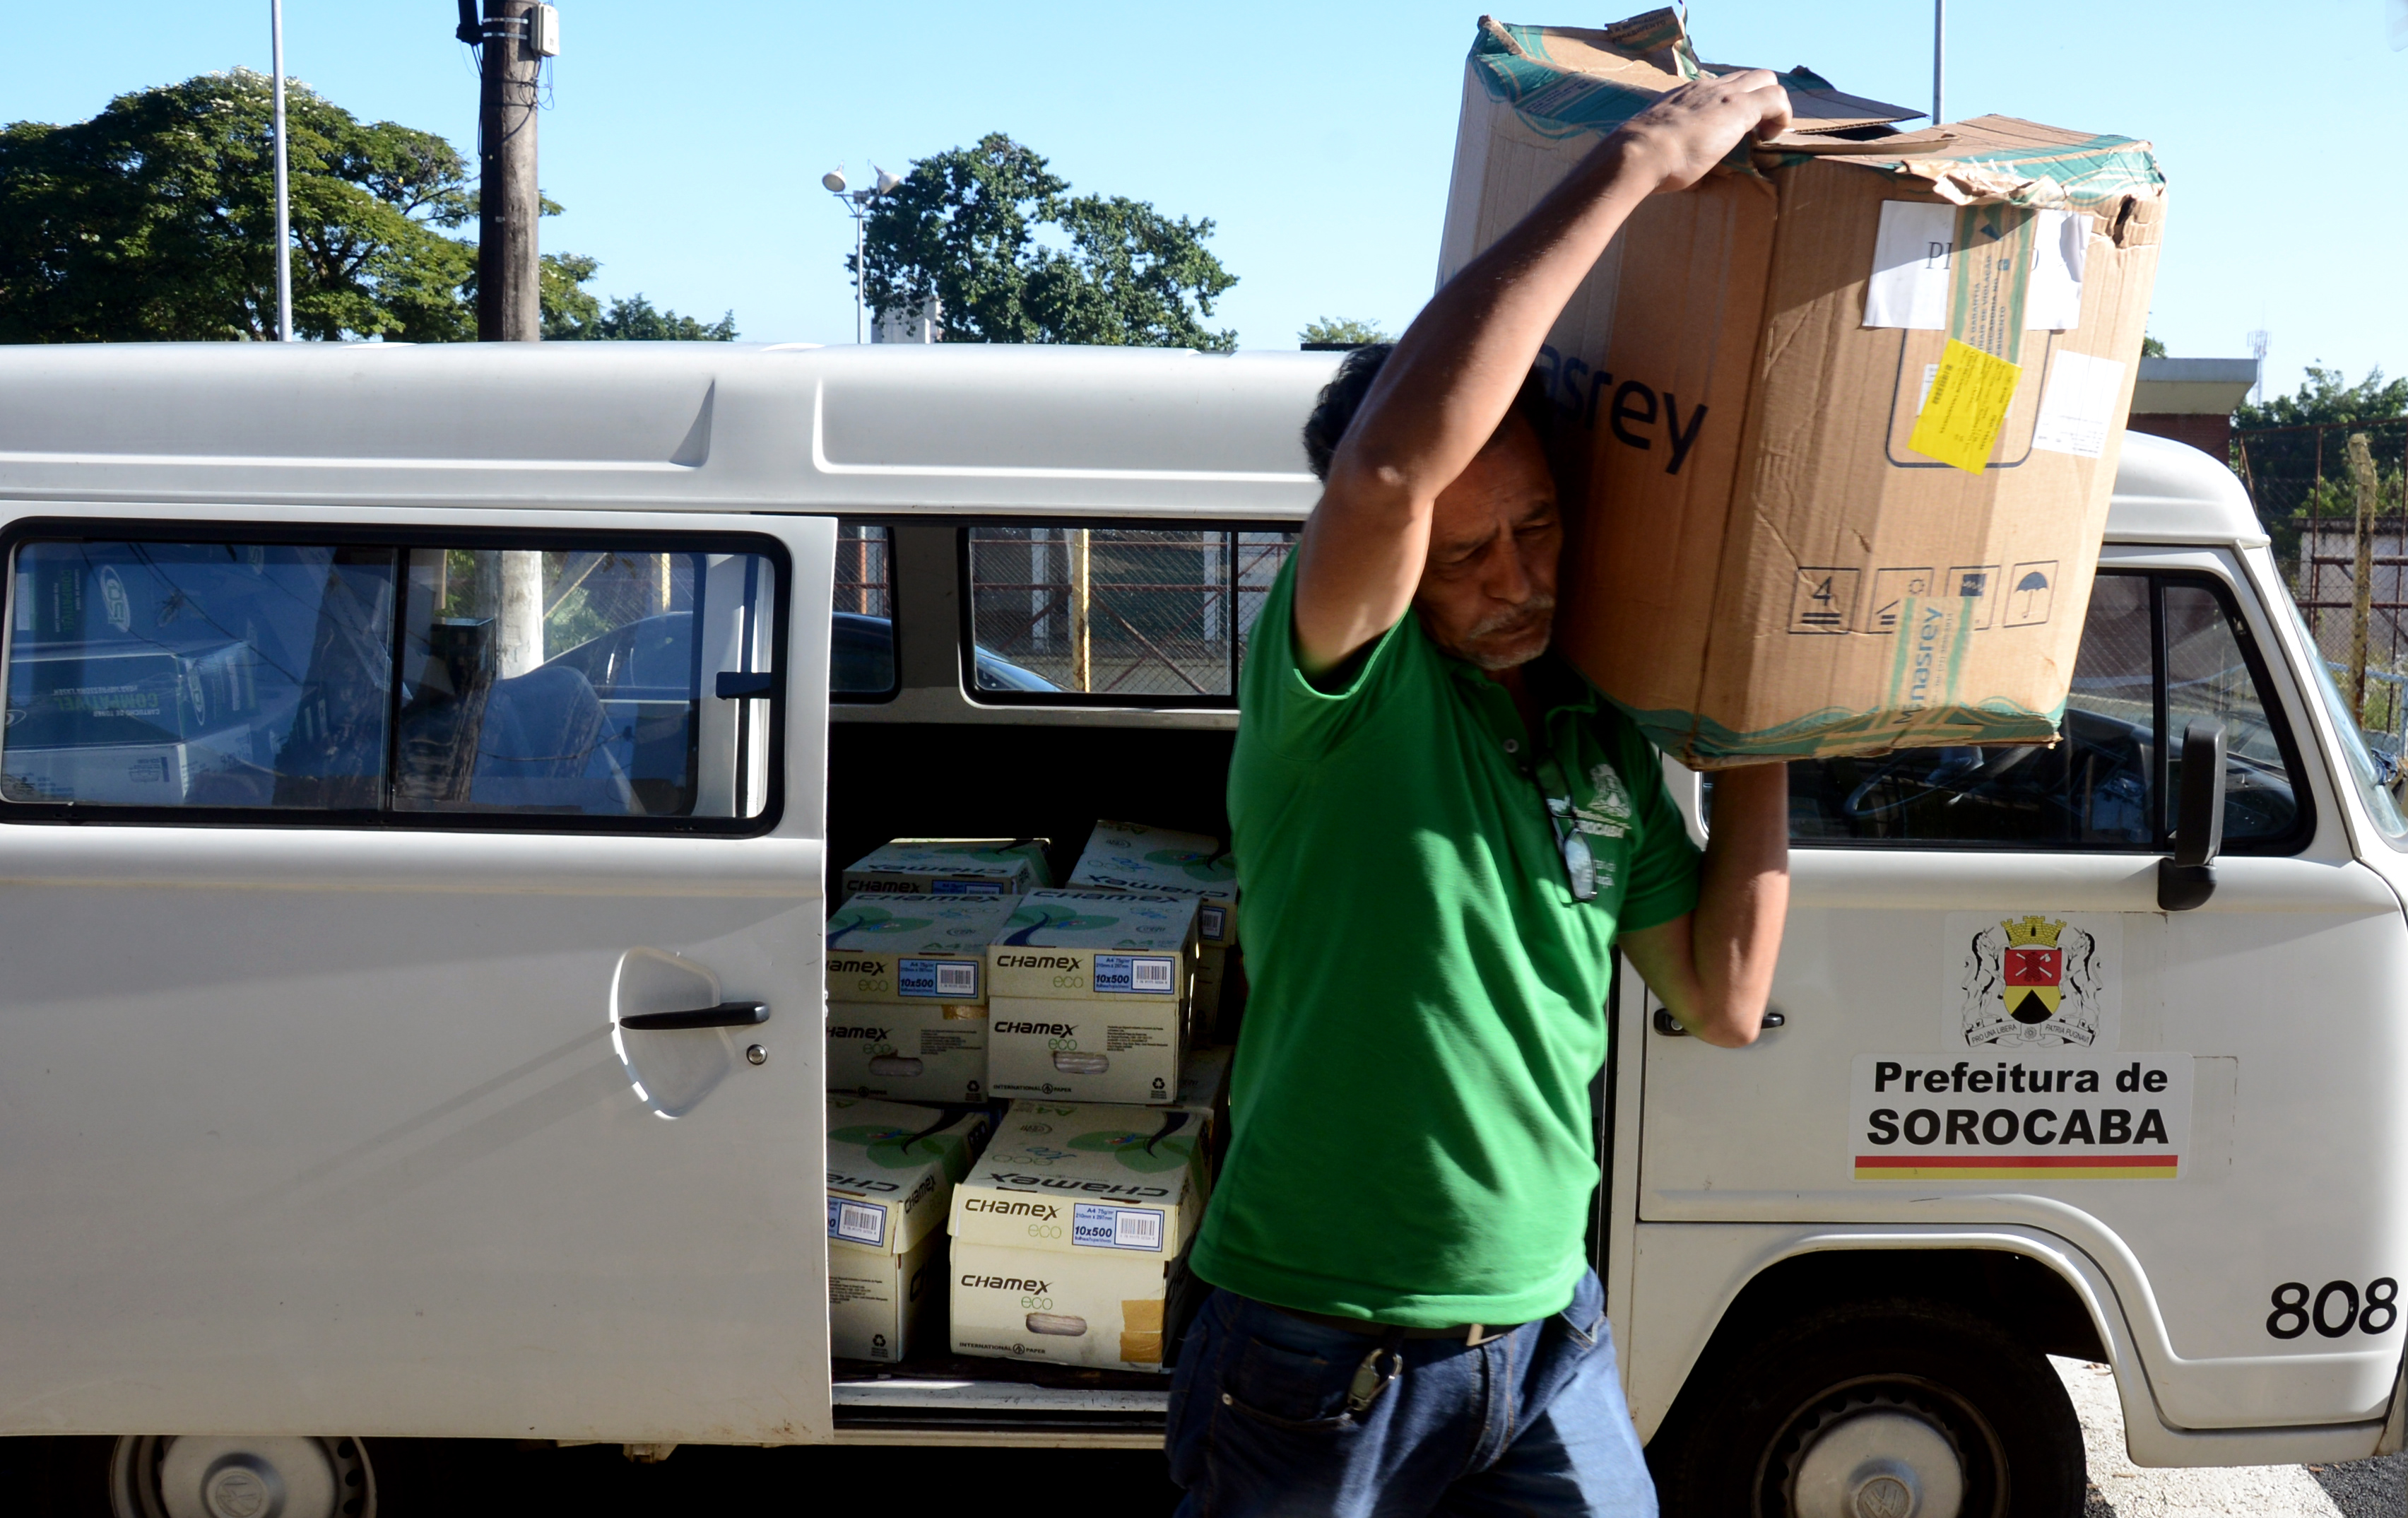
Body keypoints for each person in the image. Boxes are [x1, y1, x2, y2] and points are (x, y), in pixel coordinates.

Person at [1168, 69, 1798, 1517]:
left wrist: (1766, 731)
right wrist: (1639, 161)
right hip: (1319, 1348)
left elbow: (1724, 999)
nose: (1518, 578)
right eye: (1466, 556)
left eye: (1538, 527)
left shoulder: (1592, 736)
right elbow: (1393, 469)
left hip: (1545, 1333)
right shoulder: (1344, 697)